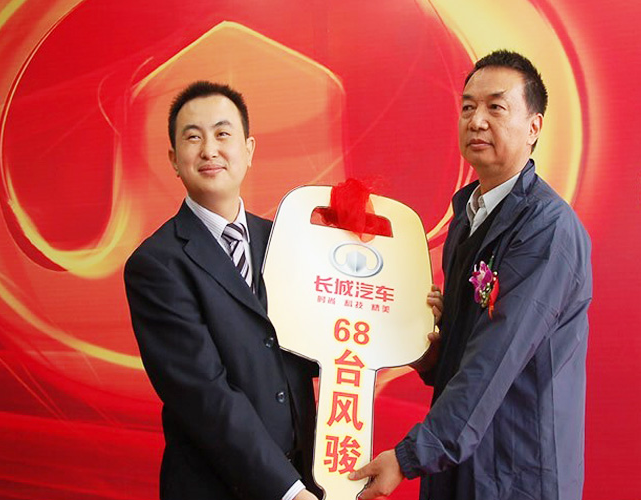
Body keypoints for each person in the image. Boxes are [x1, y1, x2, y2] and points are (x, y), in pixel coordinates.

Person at [350, 50, 592, 500]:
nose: (477, 120)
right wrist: (429, 353)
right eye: (467, 107)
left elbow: (496, 358)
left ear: (534, 127)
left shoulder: (546, 230)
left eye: (496, 107)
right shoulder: (467, 217)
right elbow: (468, 349)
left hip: (518, 471)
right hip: (462, 463)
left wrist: (409, 457)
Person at [124, 81, 321, 500]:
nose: (210, 150)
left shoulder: (286, 241)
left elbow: (321, 348)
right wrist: (289, 492)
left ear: (248, 150)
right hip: (216, 488)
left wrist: (402, 334)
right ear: (174, 160)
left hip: (306, 477)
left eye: (222, 134)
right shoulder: (156, 265)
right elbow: (205, 396)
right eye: (193, 137)